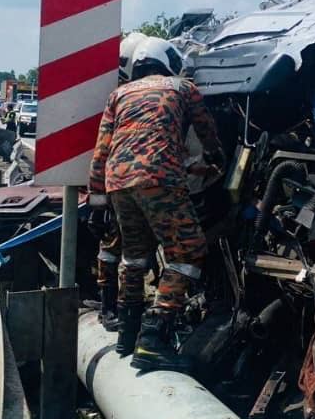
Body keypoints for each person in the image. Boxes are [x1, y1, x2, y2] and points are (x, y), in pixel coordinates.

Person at [88, 37, 225, 372]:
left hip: (118, 183)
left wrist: (97, 201)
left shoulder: (118, 95)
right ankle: (154, 337)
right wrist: (217, 158)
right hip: (160, 180)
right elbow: (207, 132)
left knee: (134, 255)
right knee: (187, 252)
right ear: (170, 61)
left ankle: (127, 333)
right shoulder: (183, 87)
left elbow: (101, 151)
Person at [86, 31, 153, 333]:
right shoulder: (123, 96)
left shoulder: (120, 94)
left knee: (117, 247)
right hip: (121, 182)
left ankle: (115, 306)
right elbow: (103, 149)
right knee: (121, 247)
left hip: (116, 181)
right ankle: (117, 309)